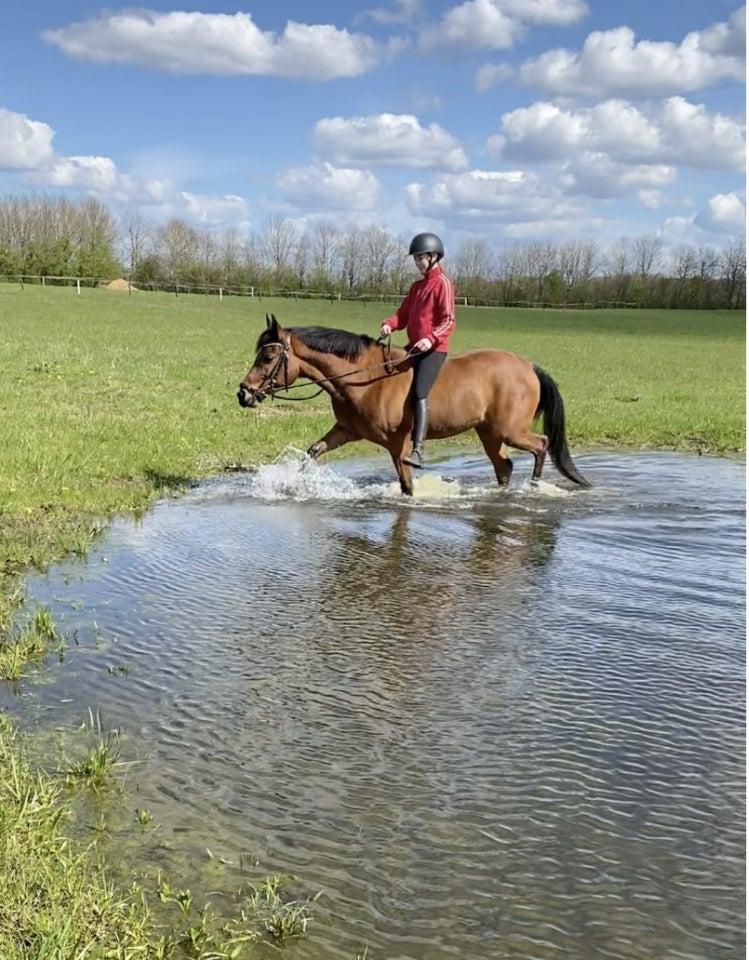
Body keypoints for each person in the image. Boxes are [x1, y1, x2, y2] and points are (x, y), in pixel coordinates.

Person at [378, 232, 455, 468]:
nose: (418, 263)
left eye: (421, 258)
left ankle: (419, 449)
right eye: (416, 259)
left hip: (434, 350)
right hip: (413, 348)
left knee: (419, 392)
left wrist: (431, 339)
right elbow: (403, 314)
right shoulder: (417, 286)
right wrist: (389, 324)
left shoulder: (443, 284)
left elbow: (449, 320)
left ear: (434, 256)